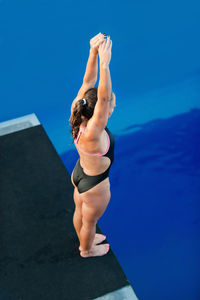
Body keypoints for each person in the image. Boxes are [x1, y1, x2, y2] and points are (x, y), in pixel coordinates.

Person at [69, 32, 116, 258]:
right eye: (111, 105)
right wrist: (104, 64)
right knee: (91, 221)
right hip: (95, 186)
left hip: (79, 174)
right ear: (101, 112)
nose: (113, 106)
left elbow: (88, 83)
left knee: (80, 210)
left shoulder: (78, 111)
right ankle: (86, 249)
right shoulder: (94, 131)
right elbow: (104, 98)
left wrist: (93, 52)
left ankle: (83, 238)